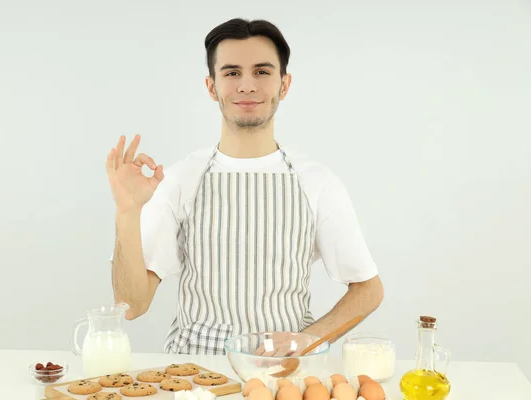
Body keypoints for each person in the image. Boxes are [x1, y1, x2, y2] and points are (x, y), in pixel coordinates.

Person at [106, 18, 384, 355]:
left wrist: (306, 340)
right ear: (212, 87)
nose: (247, 85)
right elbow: (132, 305)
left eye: (262, 72)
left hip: (284, 372)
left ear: (284, 85)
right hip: (196, 372)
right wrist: (127, 211)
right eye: (232, 72)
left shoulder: (317, 182)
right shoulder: (181, 179)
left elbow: (369, 289)